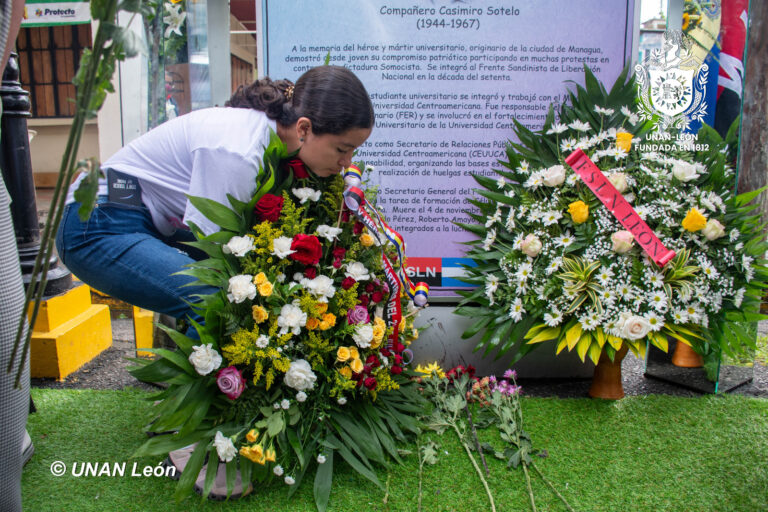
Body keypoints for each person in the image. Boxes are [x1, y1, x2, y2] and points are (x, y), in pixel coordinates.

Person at [55, 65, 374, 324]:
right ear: (304, 129)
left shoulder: (272, 136)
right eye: (342, 149)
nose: (347, 163)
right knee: (215, 297)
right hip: (95, 225)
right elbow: (216, 252)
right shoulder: (240, 152)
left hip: (145, 216)